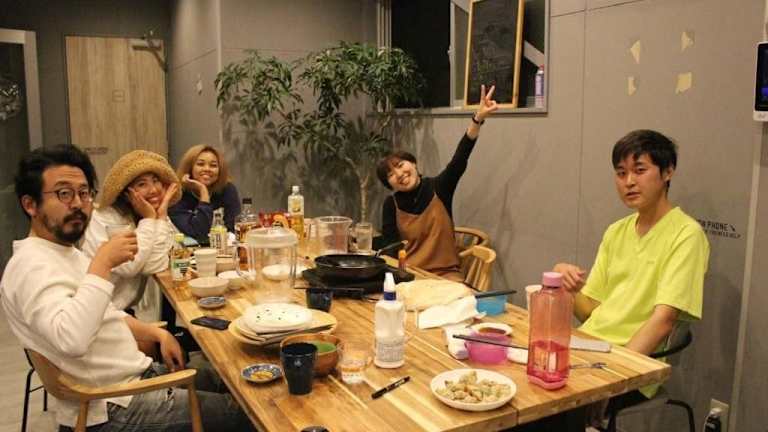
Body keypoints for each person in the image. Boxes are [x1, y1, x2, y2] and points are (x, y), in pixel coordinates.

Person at [1, 144, 253, 431]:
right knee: (249, 412)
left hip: (132, 374)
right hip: (111, 403)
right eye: (63, 194)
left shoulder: (63, 252)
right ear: (30, 205)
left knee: (230, 378)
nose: (78, 204)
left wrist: (156, 333)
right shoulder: (31, 266)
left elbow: (106, 311)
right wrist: (102, 263)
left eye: (84, 193)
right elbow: (71, 340)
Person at [553, 129, 709, 425]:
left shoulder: (686, 235)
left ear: (668, 172)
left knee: (544, 411)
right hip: (588, 350)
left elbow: (663, 321)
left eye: (639, 170)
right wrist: (565, 283)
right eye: (621, 173)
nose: (628, 182)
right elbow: (589, 312)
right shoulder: (616, 231)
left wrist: (613, 377)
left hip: (629, 365)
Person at [374, 85, 498, 281]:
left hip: (446, 276)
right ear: (389, 185)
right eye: (390, 174)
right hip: (410, 277)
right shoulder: (391, 204)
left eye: (400, 165)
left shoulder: (439, 187)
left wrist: (477, 119)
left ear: (413, 163)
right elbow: (390, 250)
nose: (399, 174)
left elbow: (460, 158)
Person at [82, 150, 181, 315]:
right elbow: (129, 267)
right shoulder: (104, 218)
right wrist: (150, 219)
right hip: (100, 314)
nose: (153, 190)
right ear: (126, 193)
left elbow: (155, 266)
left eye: (155, 181)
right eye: (142, 184)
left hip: (124, 312)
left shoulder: (152, 214)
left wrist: (162, 217)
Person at [169, 144, 240, 244]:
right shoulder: (178, 194)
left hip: (224, 248)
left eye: (213, 165)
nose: (207, 169)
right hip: (189, 251)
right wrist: (203, 191)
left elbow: (234, 229)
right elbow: (199, 233)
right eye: (200, 164)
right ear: (189, 168)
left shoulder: (227, 189)